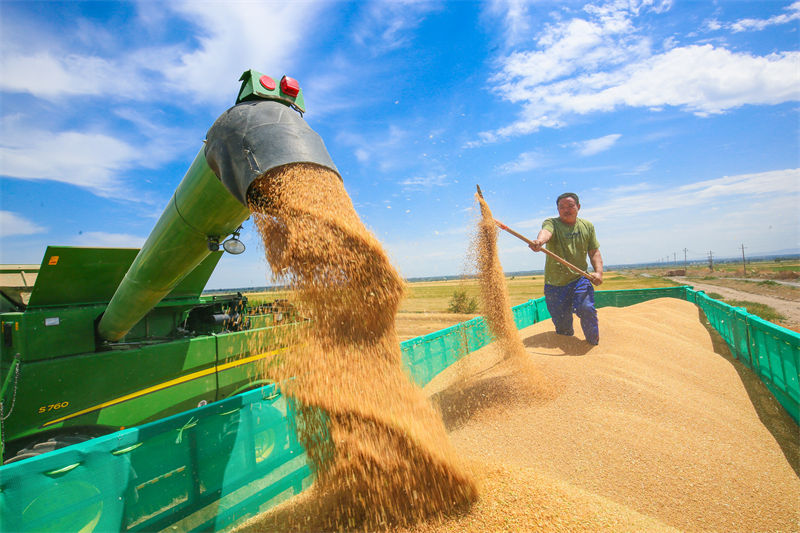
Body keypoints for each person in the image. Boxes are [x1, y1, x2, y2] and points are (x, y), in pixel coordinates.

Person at [529, 192, 603, 345]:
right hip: (554, 284)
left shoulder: (587, 226)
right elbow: (546, 232)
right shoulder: (552, 223)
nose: (566, 210)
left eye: (570, 206)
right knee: (563, 327)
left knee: (586, 309)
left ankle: (593, 343)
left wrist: (598, 272)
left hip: (579, 279)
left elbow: (594, 252)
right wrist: (539, 241)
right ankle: (567, 345)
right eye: (561, 207)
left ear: (578, 207)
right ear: (558, 210)